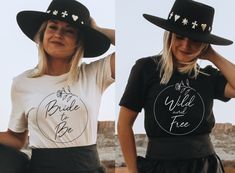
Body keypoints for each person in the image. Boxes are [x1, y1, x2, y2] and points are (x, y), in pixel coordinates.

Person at [118, 0, 235, 173]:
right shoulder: (146, 68)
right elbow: (124, 124)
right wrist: (133, 170)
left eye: (195, 40)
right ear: (169, 36)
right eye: (179, 37)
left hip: (204, 167)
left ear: (204, 43)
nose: (185, 45)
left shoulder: (208, 76)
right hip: (160, 166)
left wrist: (213, 55)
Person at [0, 0, 115, 172]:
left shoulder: (95, 73)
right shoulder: (22, 82)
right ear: (42, 34)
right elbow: (17, 139)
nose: (58, 34)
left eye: (69, 30)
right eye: (52, 27)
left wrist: (96, 29)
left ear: (78, 41)